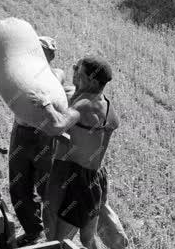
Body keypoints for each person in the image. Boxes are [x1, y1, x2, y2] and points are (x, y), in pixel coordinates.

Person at [0, 36, 75, 247]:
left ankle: (54, 236)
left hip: (44, 136)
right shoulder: (20, 74)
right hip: (22, 133)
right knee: (19, 186)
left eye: (45, 53)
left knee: (46, 188)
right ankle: (33, 231)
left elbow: (62, 87)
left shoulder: (55, 75)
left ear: (51, 56)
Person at [40, 55, 123, 249]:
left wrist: (45, 103)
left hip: (79, 182)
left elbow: (56, 126)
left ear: (93, 81)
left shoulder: (84, 104)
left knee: (58, 242)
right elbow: (89, 138)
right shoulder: (107, 106)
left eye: (79, 70)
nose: (74, 71)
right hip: (97, 178)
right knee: (88, 239)